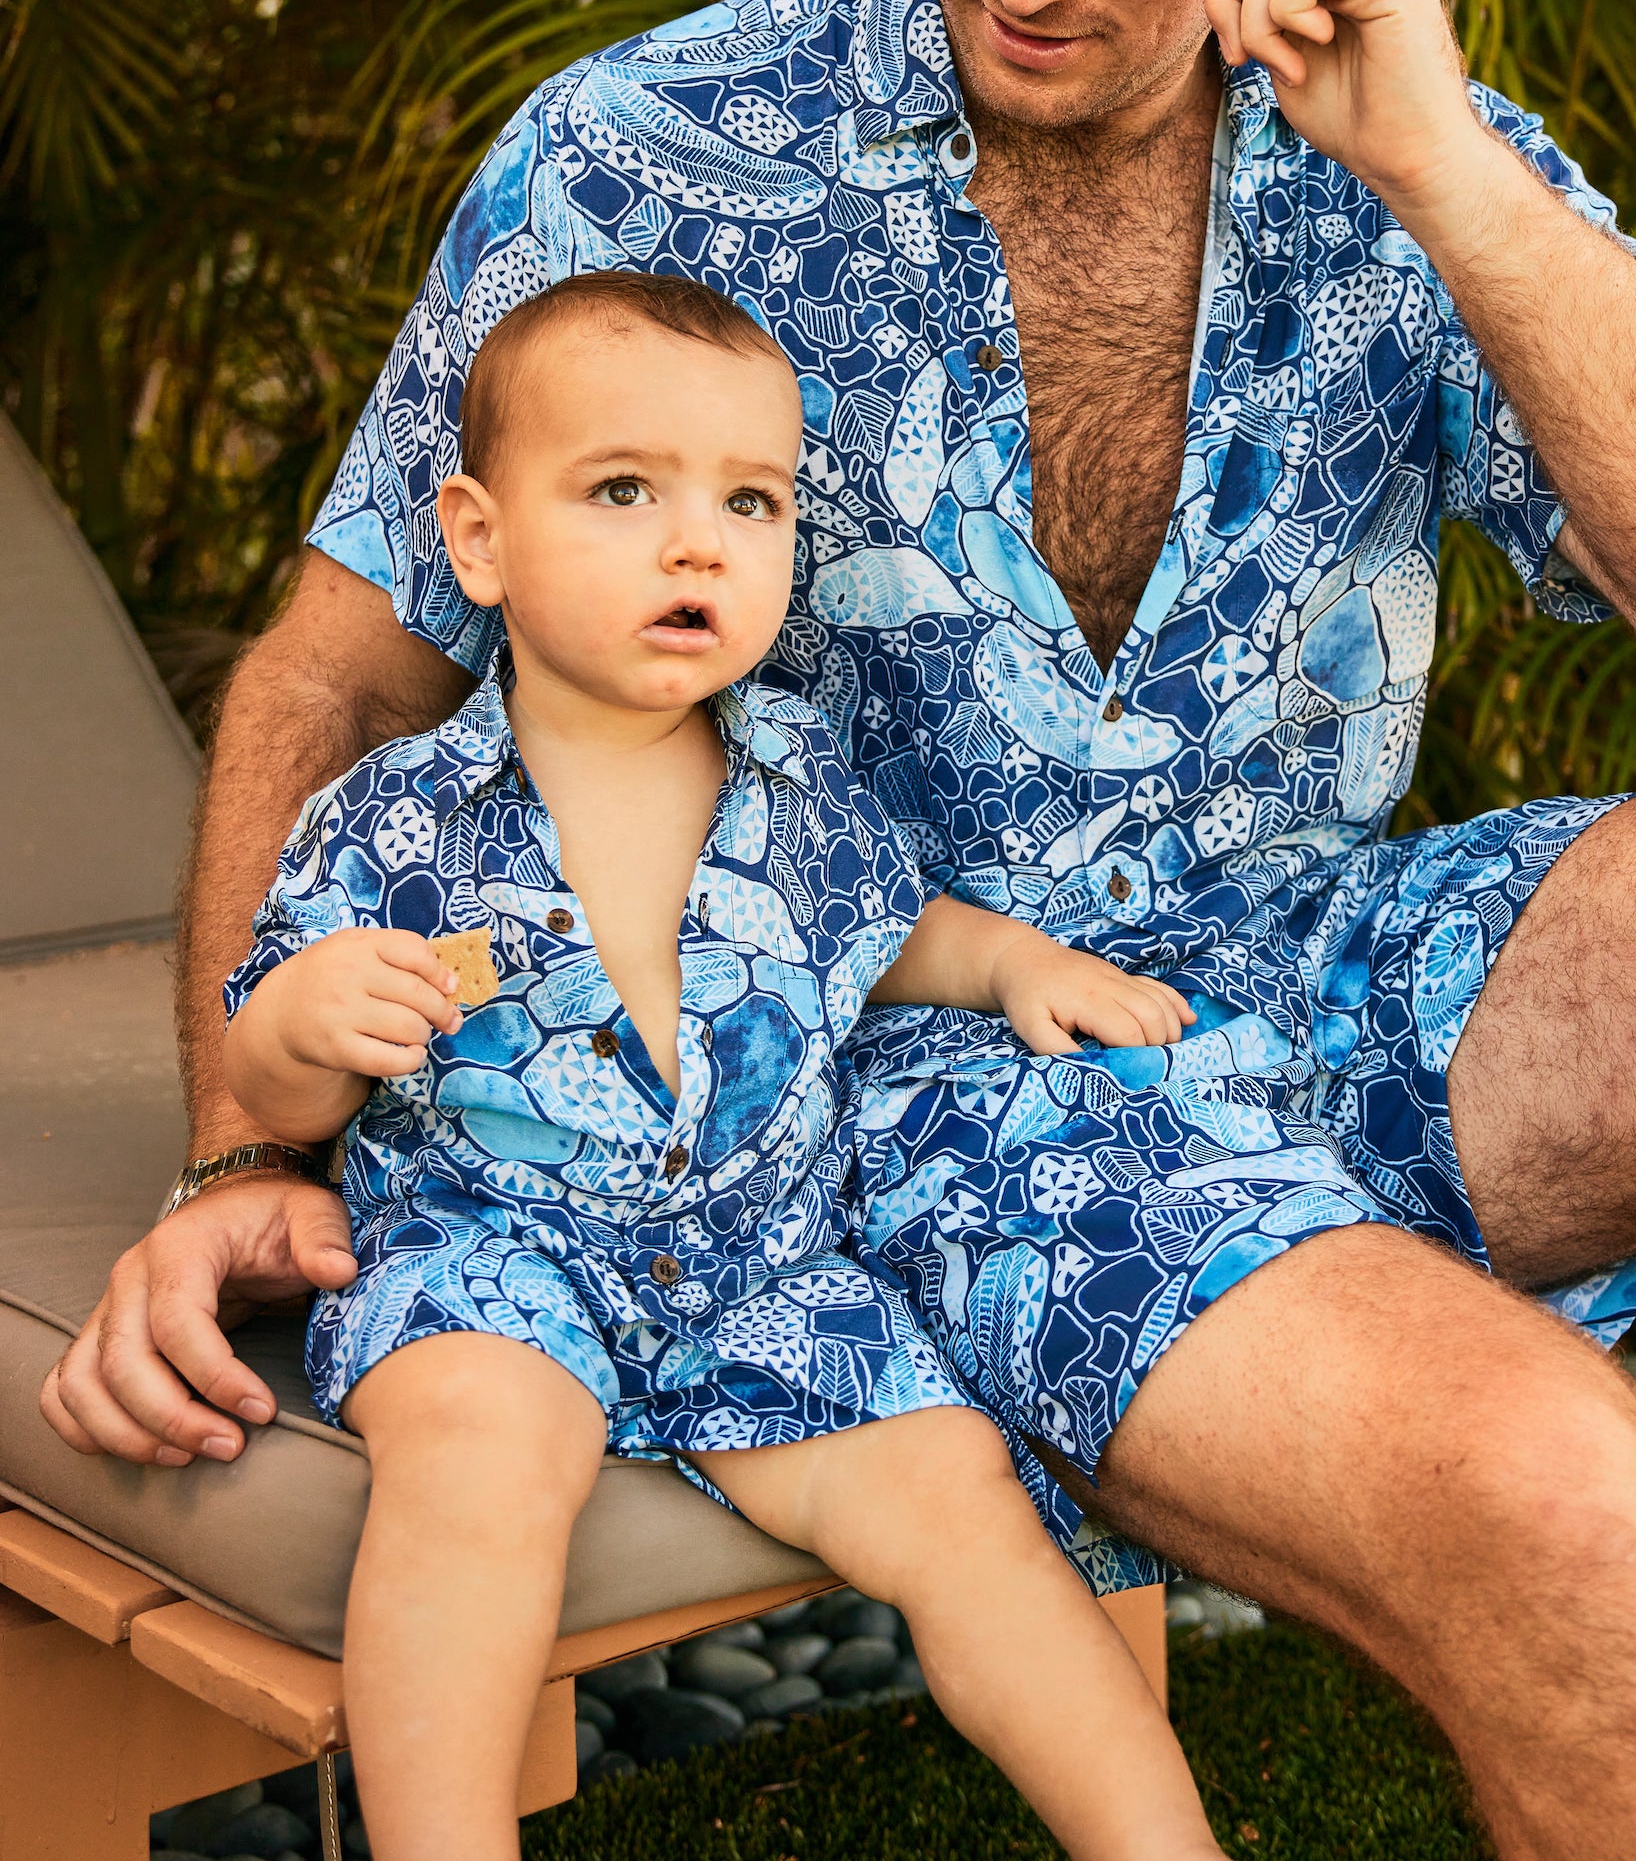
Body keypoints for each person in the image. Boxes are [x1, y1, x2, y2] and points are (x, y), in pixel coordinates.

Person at [44, 0, 1636, 1861]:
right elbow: (337, 672)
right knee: (1542, 1475)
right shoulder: (651, 157)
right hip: (899, 1064)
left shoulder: (1399, 147)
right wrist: (240, 1146)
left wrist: (1444, 173)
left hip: (1303, 960)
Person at [218, 268, 1220, 1861]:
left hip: (766, 1270)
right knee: (475, 1458)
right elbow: (282, 1097)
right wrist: (295, 1026)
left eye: (749, 502)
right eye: (625, 490)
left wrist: (1018, 966)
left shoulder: (797, 776)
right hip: (493, 1259)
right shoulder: (397, 821)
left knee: (958, 1492)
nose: (698, 544)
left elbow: (888, 928)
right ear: (479, 540)